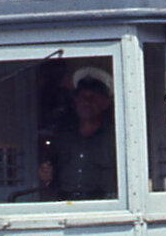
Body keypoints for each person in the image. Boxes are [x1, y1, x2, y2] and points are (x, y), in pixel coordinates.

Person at [38, 67, 117, 200]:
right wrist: (44, 176)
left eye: (93, 97)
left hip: (104, 208)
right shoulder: (62, 135)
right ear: (75, 101)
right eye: (82, 96)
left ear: (106, 103)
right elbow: (48, 177)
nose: (86, 102)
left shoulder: (115, 137)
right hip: (66, 206)